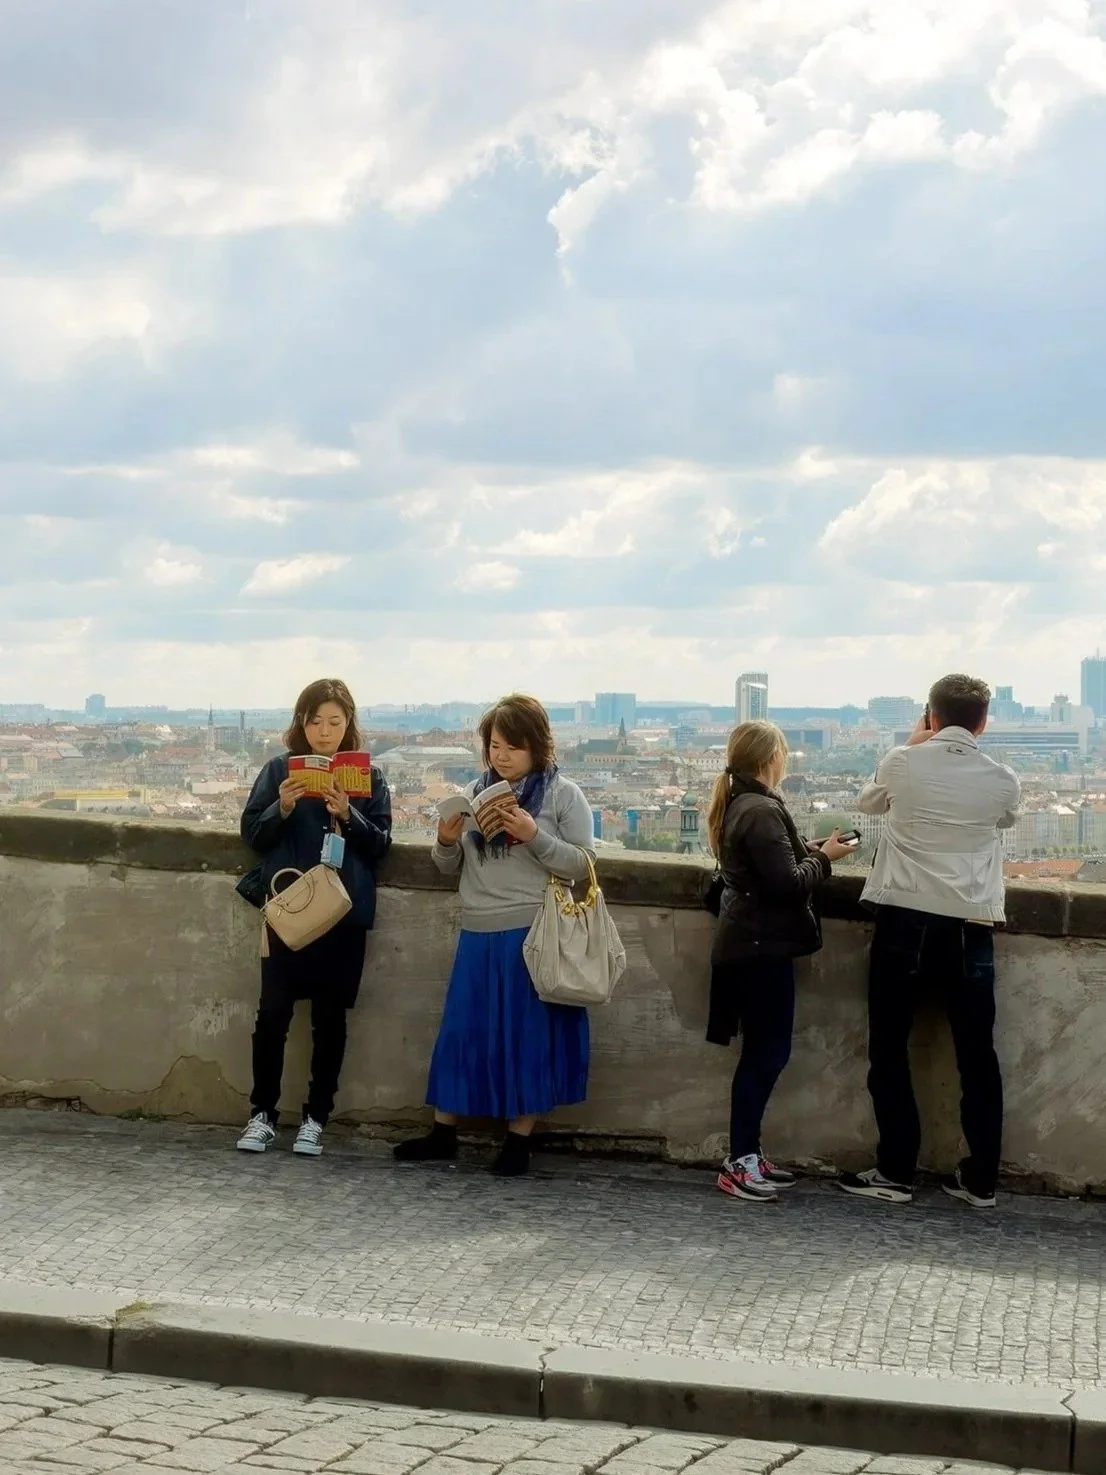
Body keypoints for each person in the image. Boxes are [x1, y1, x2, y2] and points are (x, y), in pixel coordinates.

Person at [839, 674, 1021, 1210]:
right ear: (983, 722)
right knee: (978, 1056)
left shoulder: (903, 761)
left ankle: (896, 1169)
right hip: (970, 927)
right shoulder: (1003, 778)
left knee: (889, 1049)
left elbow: (869, 803)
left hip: (904, 920)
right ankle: (981, 1178)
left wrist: (913, 745)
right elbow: (1007, 817)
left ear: (930, 715)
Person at [394, 694, 594, 1177]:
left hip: (529, 931)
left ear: (537, 748)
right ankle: (444, 1131)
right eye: (495, 746)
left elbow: (584, 864)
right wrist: (445, 839)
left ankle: (518, 1141)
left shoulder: (562, 795)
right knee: (463, 1035)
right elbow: (451, 866)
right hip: (477, 926)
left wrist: (533, 835)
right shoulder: (475, 790)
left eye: (513, 747)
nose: (501, 757)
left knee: (527, 1038)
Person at [235, 679, 392, 1157]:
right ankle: (262, 1113)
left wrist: (350, 813)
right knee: (273, 1015)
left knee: (330, 1020)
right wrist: (281, 806)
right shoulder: (280, 771)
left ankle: (315, 1118)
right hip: (291, 909)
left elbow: (382, 845)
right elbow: (252, 836)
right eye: (315, 721)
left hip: (342, 913)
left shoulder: (369, 778)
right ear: (301, 724)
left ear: (349, 727)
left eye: (335, 722)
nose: (324, 732)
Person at [706, 721, 856, 1203]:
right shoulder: (762, 808)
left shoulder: (741, 803)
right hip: (760, 949)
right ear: (773, 758)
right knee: (766, 1055)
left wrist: (810, 850)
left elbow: (769, 867)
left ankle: (748, 1152)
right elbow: (787, 884)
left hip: (747, 945)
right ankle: (740, 1160)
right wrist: (828, 857)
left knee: (762, 1054)